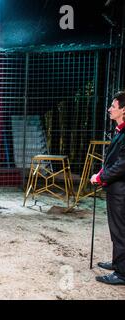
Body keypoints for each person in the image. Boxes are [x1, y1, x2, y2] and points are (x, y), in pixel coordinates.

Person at [91, 91, 125, 285]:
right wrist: (102, 172)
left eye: (113, 106)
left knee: (120, 230)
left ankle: (121, 273)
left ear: (123, 110)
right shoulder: (120, 130)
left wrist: (100, 177)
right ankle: (118, 263)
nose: (109, 109)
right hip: (116, 189)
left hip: (121, 191)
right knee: (117, 229)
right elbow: (115, 159)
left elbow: (122, 165)